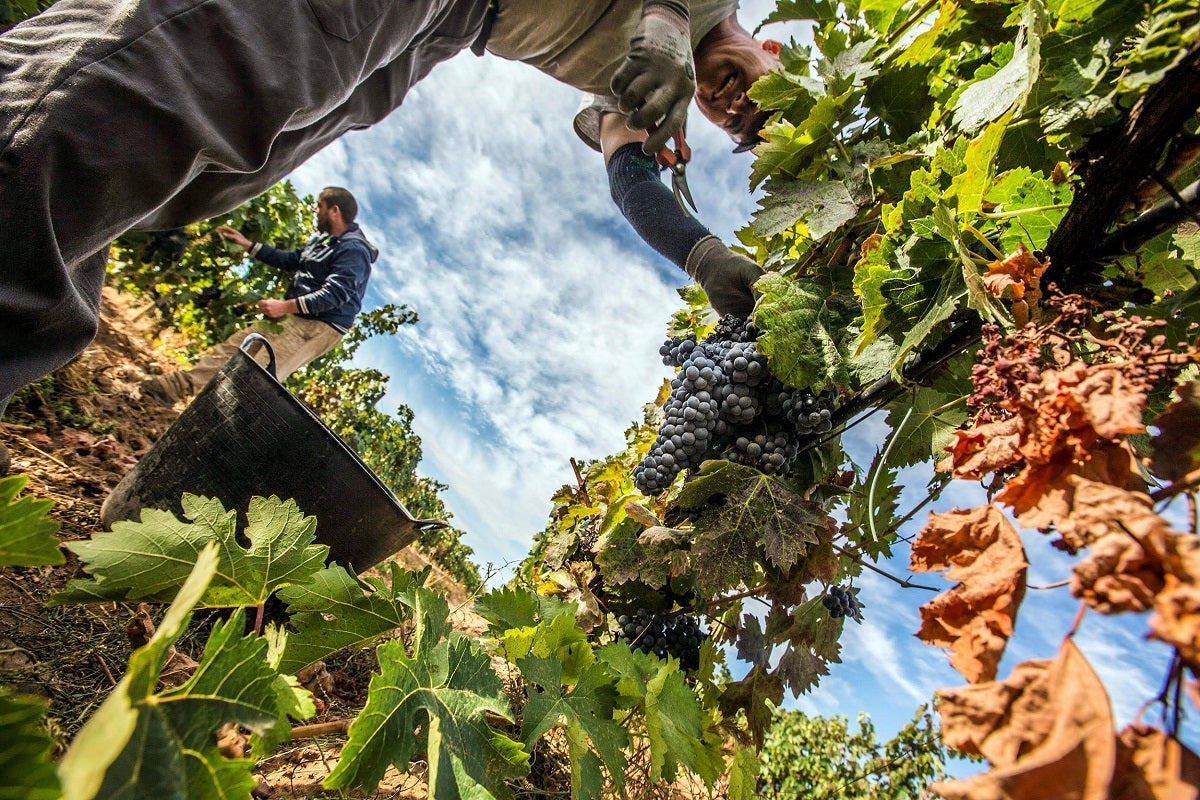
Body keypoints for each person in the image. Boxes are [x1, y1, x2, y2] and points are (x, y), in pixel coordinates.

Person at [0, 0, 782, 415]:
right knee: (191, 74)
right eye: (756, 93)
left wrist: (701, 254)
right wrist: (671, 16)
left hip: (447, 26)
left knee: (209, 170)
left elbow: (630, 177)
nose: (734, 106)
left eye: (736, 126)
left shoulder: (657, 85)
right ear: (774, 51)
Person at [140, 186, 377, 407]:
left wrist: (285, 307)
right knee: (237, 346)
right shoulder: (323, 241)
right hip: (297, 312)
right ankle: (174, 388)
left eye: (320, 206)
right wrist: (247, 245)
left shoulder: (354, 250)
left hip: (319, 326)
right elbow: (290, 260)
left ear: (334, 210)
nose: (316, 211)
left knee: (256, 374)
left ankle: (210, 424)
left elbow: (336, 294)